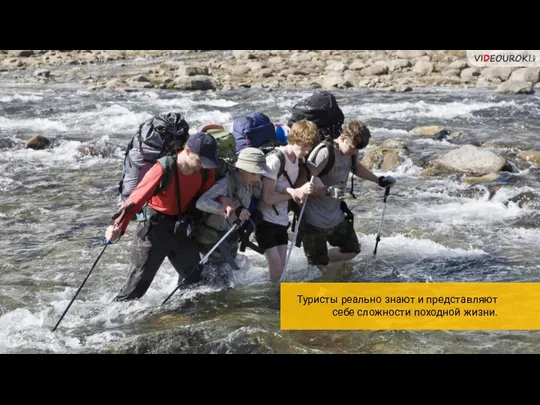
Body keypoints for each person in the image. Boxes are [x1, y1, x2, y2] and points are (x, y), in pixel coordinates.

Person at [104, 132, 218, 301]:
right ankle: (114, 320)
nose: (202, 166)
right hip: (154, 230)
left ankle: (183, 318)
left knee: (194, 281)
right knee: (134, 290)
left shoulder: (206, 172)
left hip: (181, 228)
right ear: (187, 151)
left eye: (206, 163)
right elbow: (135, 200)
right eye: (199, 161)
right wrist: (118, 228)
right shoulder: (162, 169)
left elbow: (209, 194)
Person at [300, 120, 396, 267]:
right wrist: (327, 190)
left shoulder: (351, 153)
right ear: (343, 137)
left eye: (358, 149)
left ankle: (324, 260)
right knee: (317, 268)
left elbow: (356, 168)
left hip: (336, 216)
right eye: (352, 148)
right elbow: (305, 181)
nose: (355, 152)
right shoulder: (324, 152)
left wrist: (379, 180)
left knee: (352, 250)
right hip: (314, 220)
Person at [194, 147, 271, 286]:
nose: (258, 178)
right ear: (242, 169)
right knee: (212, 283)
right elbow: (201, 203)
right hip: (212, 239)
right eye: (254, 173)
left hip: (231, 236)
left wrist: (257, 212)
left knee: (227, 279)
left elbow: (259, 197)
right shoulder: (226, 183)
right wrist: (225, 210)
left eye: (260, 174)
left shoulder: (251, 182)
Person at [256, 119, 320, 281]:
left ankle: (273, 300)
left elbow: (292, 188)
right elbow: (267, 197)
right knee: (277, 274)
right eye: (304, 146)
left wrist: (304, 190)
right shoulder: (275, 160)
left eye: (310, 147)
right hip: (265, 222)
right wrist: (294, 193)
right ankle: (272, 305)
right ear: (294, 140)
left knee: (280, 273)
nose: (307, 151)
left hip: (282, 221)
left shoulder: (299, 160)